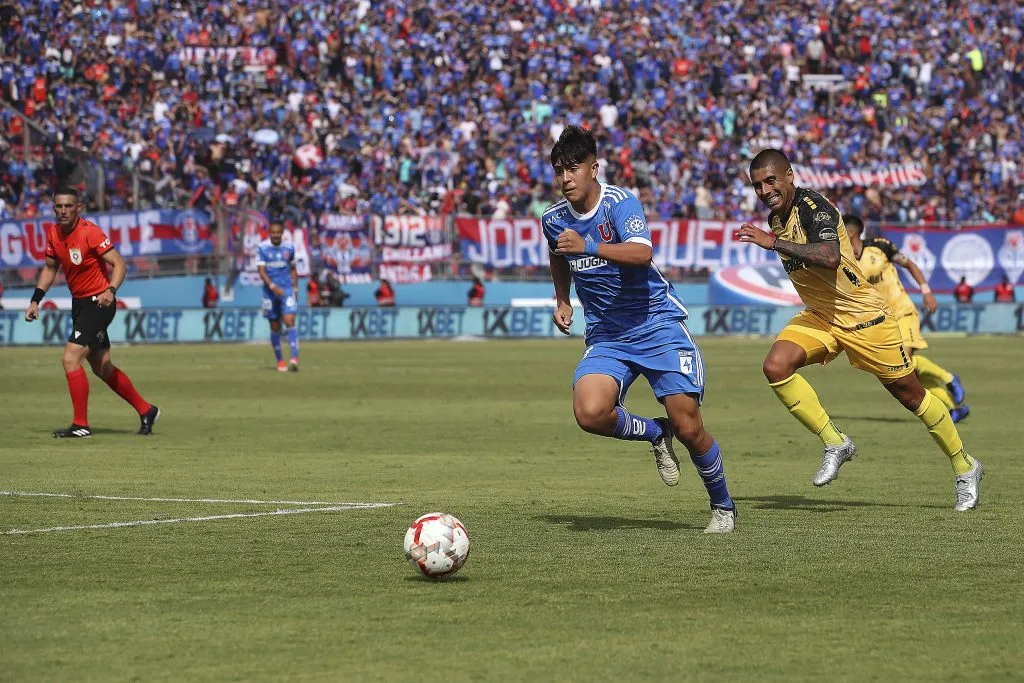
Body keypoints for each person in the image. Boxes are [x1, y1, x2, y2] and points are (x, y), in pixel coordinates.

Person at [737, 149, 983, 511]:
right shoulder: (776, 217)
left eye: (770, 180)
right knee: (776, 366)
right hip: (822, 316)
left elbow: (830, 257)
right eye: (757, 185)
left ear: (789, 175)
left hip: (864, 318)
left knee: (911, 396)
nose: (764, 190)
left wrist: (773, 243)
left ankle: (965, 466)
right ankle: (836, 442)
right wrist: (774, 237)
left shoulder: (814, 207)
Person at [543, 125, 736, 533]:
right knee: (589, 412)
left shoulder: (620, 202)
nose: (566, 178)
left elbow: (642, 252)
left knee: (689, 427)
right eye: (559, 170)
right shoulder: (554, 219)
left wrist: (588, 246)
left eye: (573, 168)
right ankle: (655, 431)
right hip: (608, 336)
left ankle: (723, 507)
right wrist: (563, 299)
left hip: (656, 325)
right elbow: (559, 254)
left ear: (593, 169)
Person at [24, 187, 159, 438]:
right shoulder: (53, 234)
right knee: (102, 366)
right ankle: (146, 410)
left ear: (79, 207)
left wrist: (111, 290)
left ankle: (80, 424)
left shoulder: (90, 232)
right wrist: (35, 301)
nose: (63, 211)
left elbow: (119, 263)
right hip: (80, 304)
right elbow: (50, 269)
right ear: (54, 209)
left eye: (68, 206)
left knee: (70, 358)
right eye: (59, 206)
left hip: (99, 303)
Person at [845, 215, 970, 423]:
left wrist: (926, 291)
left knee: (906, 362)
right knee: (906, 373)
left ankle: (948, 378)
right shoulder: (844, 261)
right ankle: (952, 407)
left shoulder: (880, 246)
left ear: (850, 233)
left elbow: (910, 265)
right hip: (880, 323)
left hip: (902, 312)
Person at [256, 220, 299, 372]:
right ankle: (280, 361)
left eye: (278, 232)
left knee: (290, 321)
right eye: (272, 232)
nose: (275, 235)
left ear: (282, 233)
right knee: (275, 326)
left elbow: (293, 268)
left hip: (286, 290)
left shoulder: (289, 248)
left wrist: (295, 288)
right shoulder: (262, 248)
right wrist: (273, 287)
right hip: (270, 292)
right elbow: (261, 271)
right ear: (269, 233)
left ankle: (294, 359)